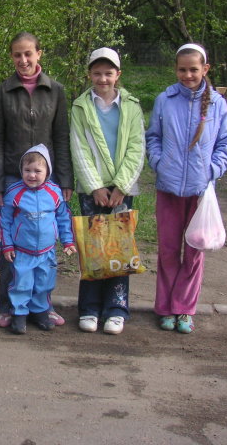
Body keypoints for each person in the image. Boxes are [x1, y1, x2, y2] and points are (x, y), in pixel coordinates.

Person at [146, 43, 227, 334]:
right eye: (182, 70)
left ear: (205, 69)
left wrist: (212, 171)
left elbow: (226, 143)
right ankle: (165, 308)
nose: (188, 75)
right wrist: (159, 163)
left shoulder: (217, 104)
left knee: (195, 251)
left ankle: (184, 308)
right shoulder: (165, 100)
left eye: (193, 69)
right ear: (175, 70)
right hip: (168, 188)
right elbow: (153, 137)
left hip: (200, 191)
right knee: (168, 249)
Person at [0, 32, 73, 328]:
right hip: (14, 177)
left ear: (39, 54)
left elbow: (61, 137)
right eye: (17, 55)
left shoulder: (55, 90)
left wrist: (64, 179)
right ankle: (9, 306)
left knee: (44, 245)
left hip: (47, 178)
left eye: (28, 54)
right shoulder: (2, 92)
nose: (23, 60)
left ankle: (42, 307)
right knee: (13, 243)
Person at [70, 47, 145, 335]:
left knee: (118, 248)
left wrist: (121, 186)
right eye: (97, 73)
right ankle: (89, 308)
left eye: (108, 73)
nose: (103, 79)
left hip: (122, 190)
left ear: (118, 74)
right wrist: (95, 186)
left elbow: (137, 147)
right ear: (89, 74)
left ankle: (116, 308)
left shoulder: (131, 107)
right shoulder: (80, 107)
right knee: (93, 248)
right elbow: (79, 148)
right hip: (92, 189)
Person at [0, 145, 76, 335]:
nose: (32, 175)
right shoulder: (14, 192)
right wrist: (7, 245)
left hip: (46, 251)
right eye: (27, 170)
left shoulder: (54, 192)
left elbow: (63, 218)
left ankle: (40, 311)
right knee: (21, 283)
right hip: (22, 251)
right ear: (21, 170)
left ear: (47, 171)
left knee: (44, 282)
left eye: (37, 171)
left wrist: (68, 241)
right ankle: (19, 313)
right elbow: (5, 221)